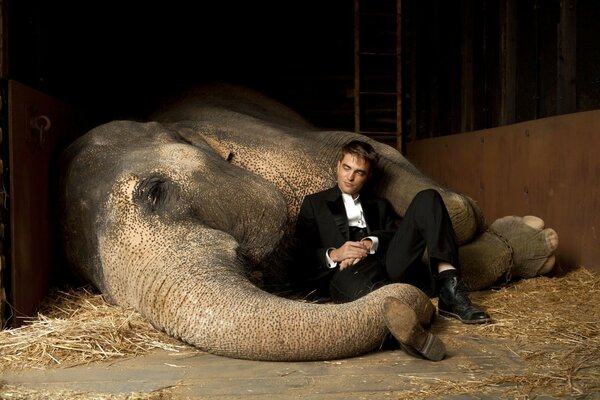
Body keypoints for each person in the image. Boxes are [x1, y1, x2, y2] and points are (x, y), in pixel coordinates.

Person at [291, 140, 491, 359]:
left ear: (367, 176)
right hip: (346, 273)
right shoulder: (314, 203)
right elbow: (300, 255)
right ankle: (409, 338)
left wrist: (370, 242)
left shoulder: (379, 205)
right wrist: (336, 254)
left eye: (359, 172)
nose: (350, 177)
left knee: (429, 198)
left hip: (387, 265)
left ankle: (450, 291)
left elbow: (394, 236)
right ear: (338, 166)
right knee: (375, 300)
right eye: (347, 168)